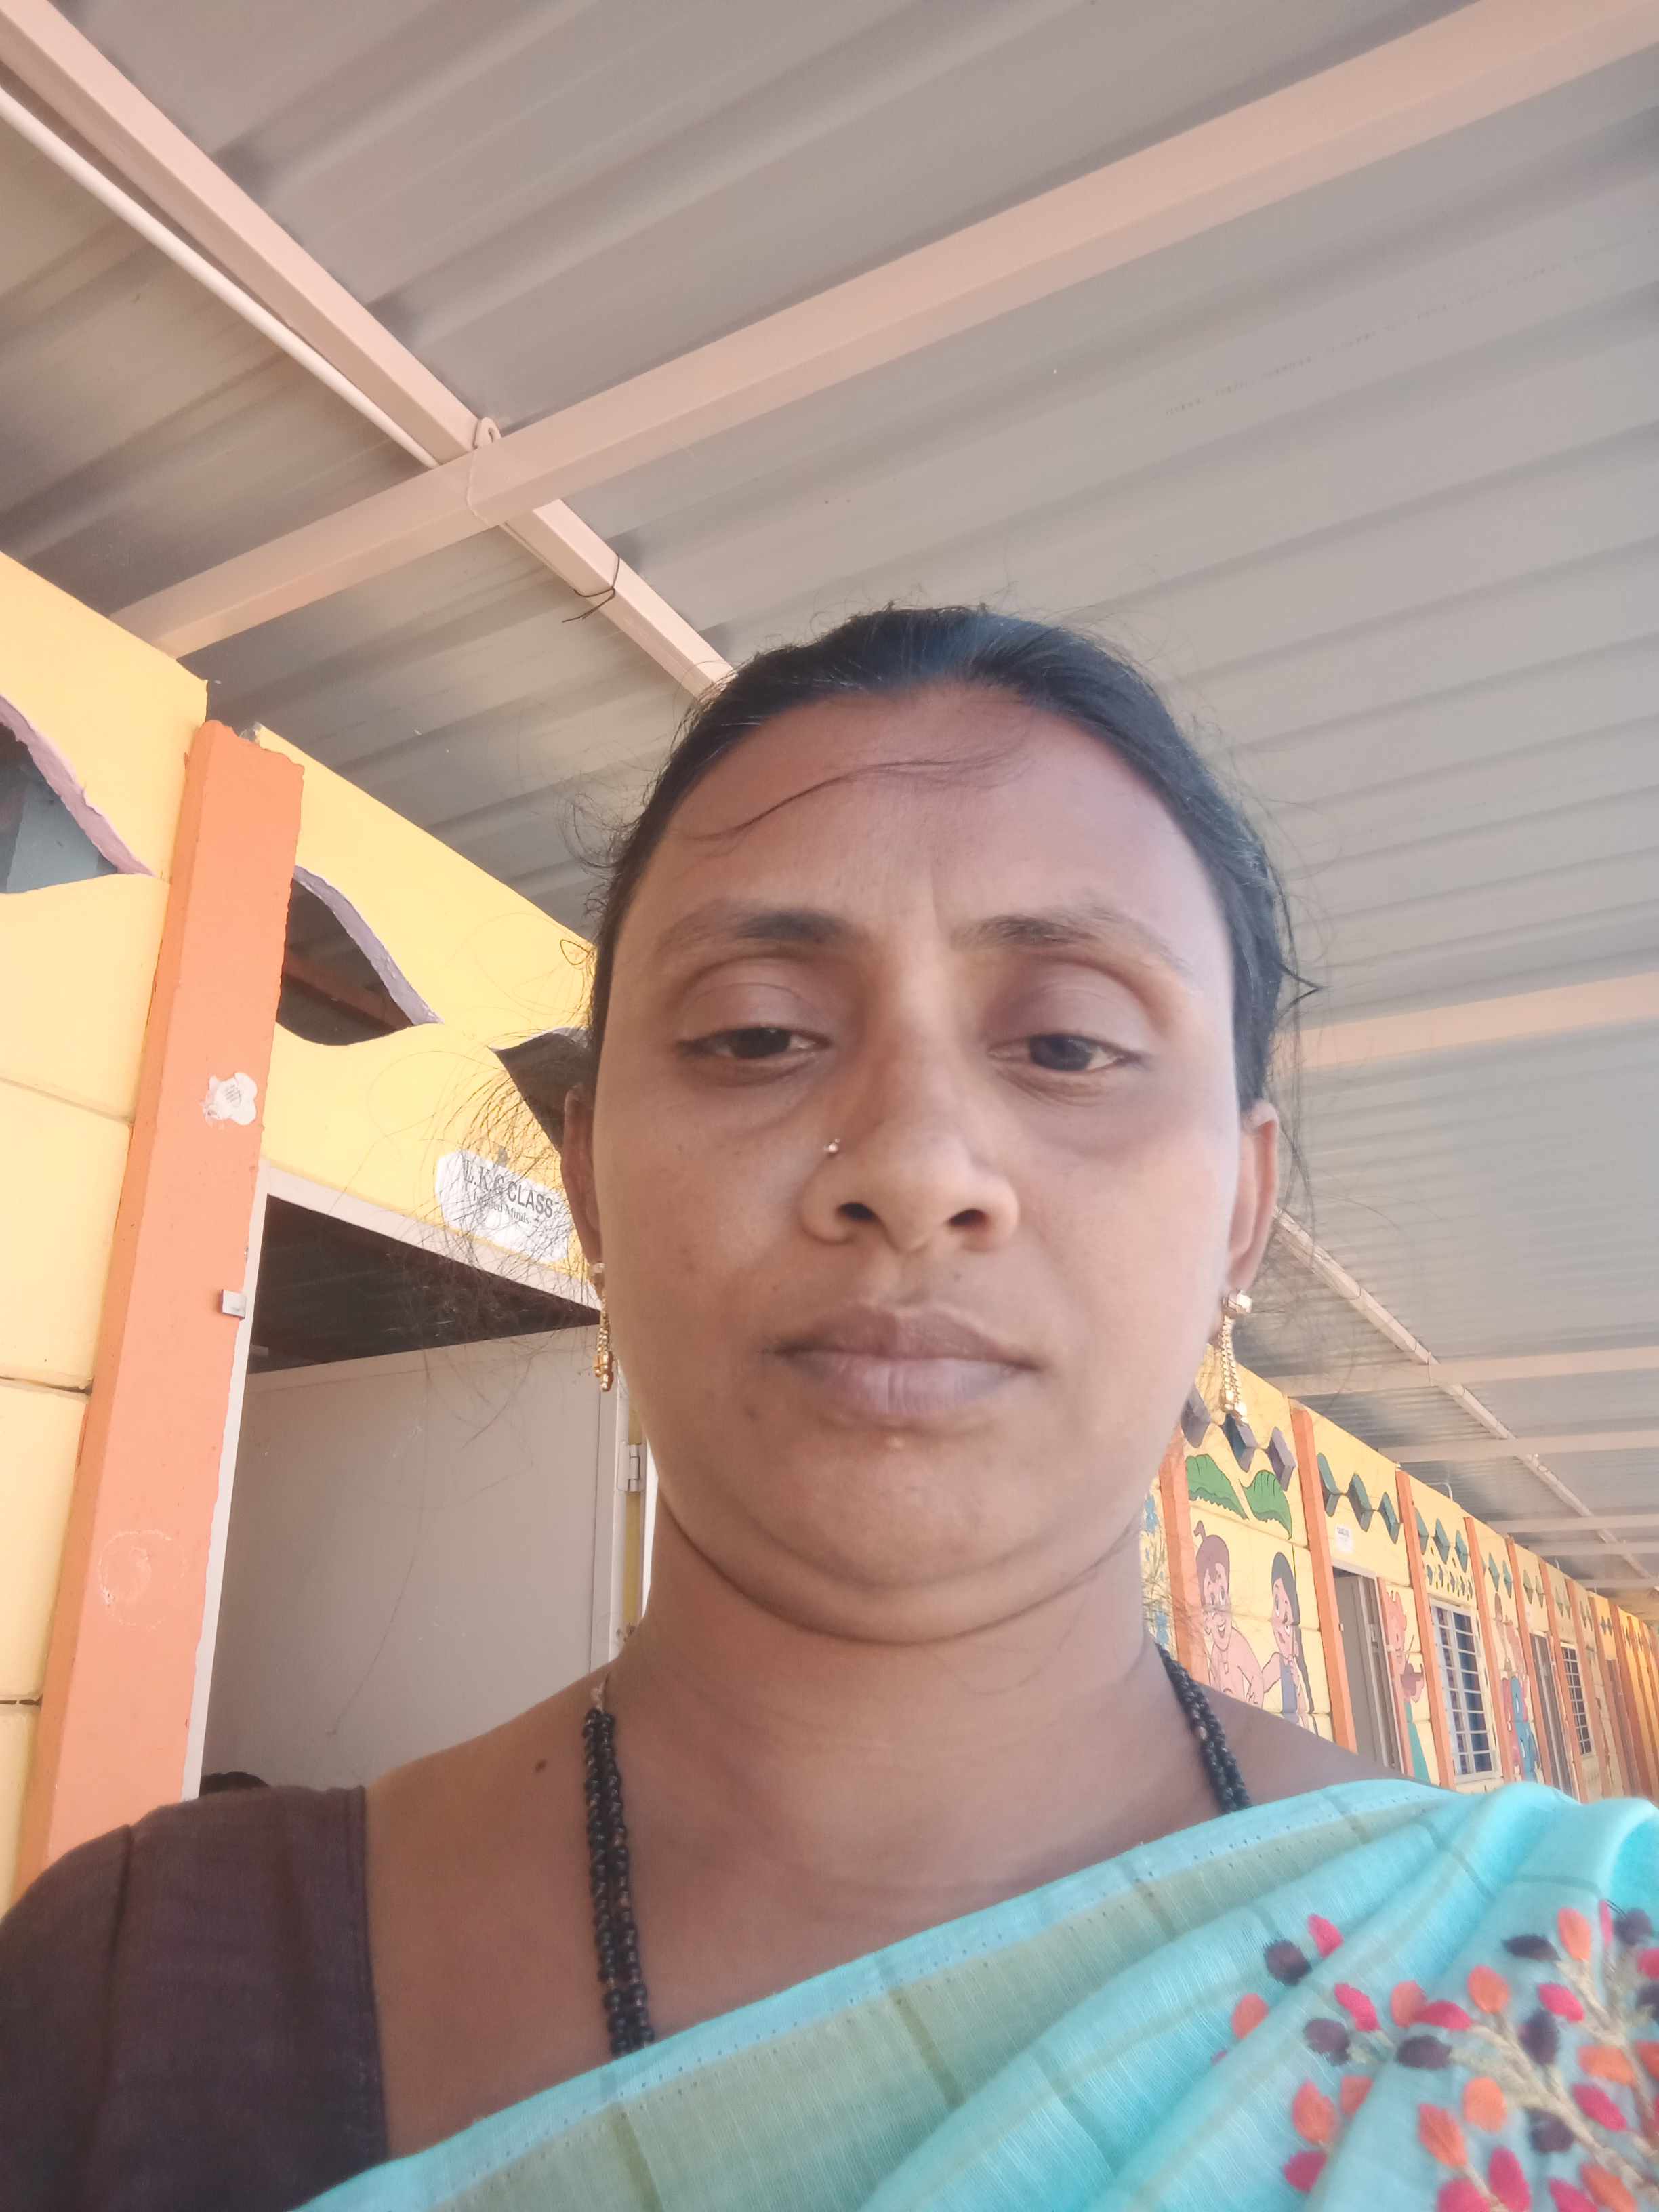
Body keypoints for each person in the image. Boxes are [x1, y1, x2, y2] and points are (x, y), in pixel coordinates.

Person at [3, 607, 1655, 2212]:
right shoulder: (131, 1999)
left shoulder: (1591, 2000)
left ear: (1242, 1207)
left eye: (1069, 1046)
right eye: (756, 1034)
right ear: (588, 1183)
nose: (918, 1167)